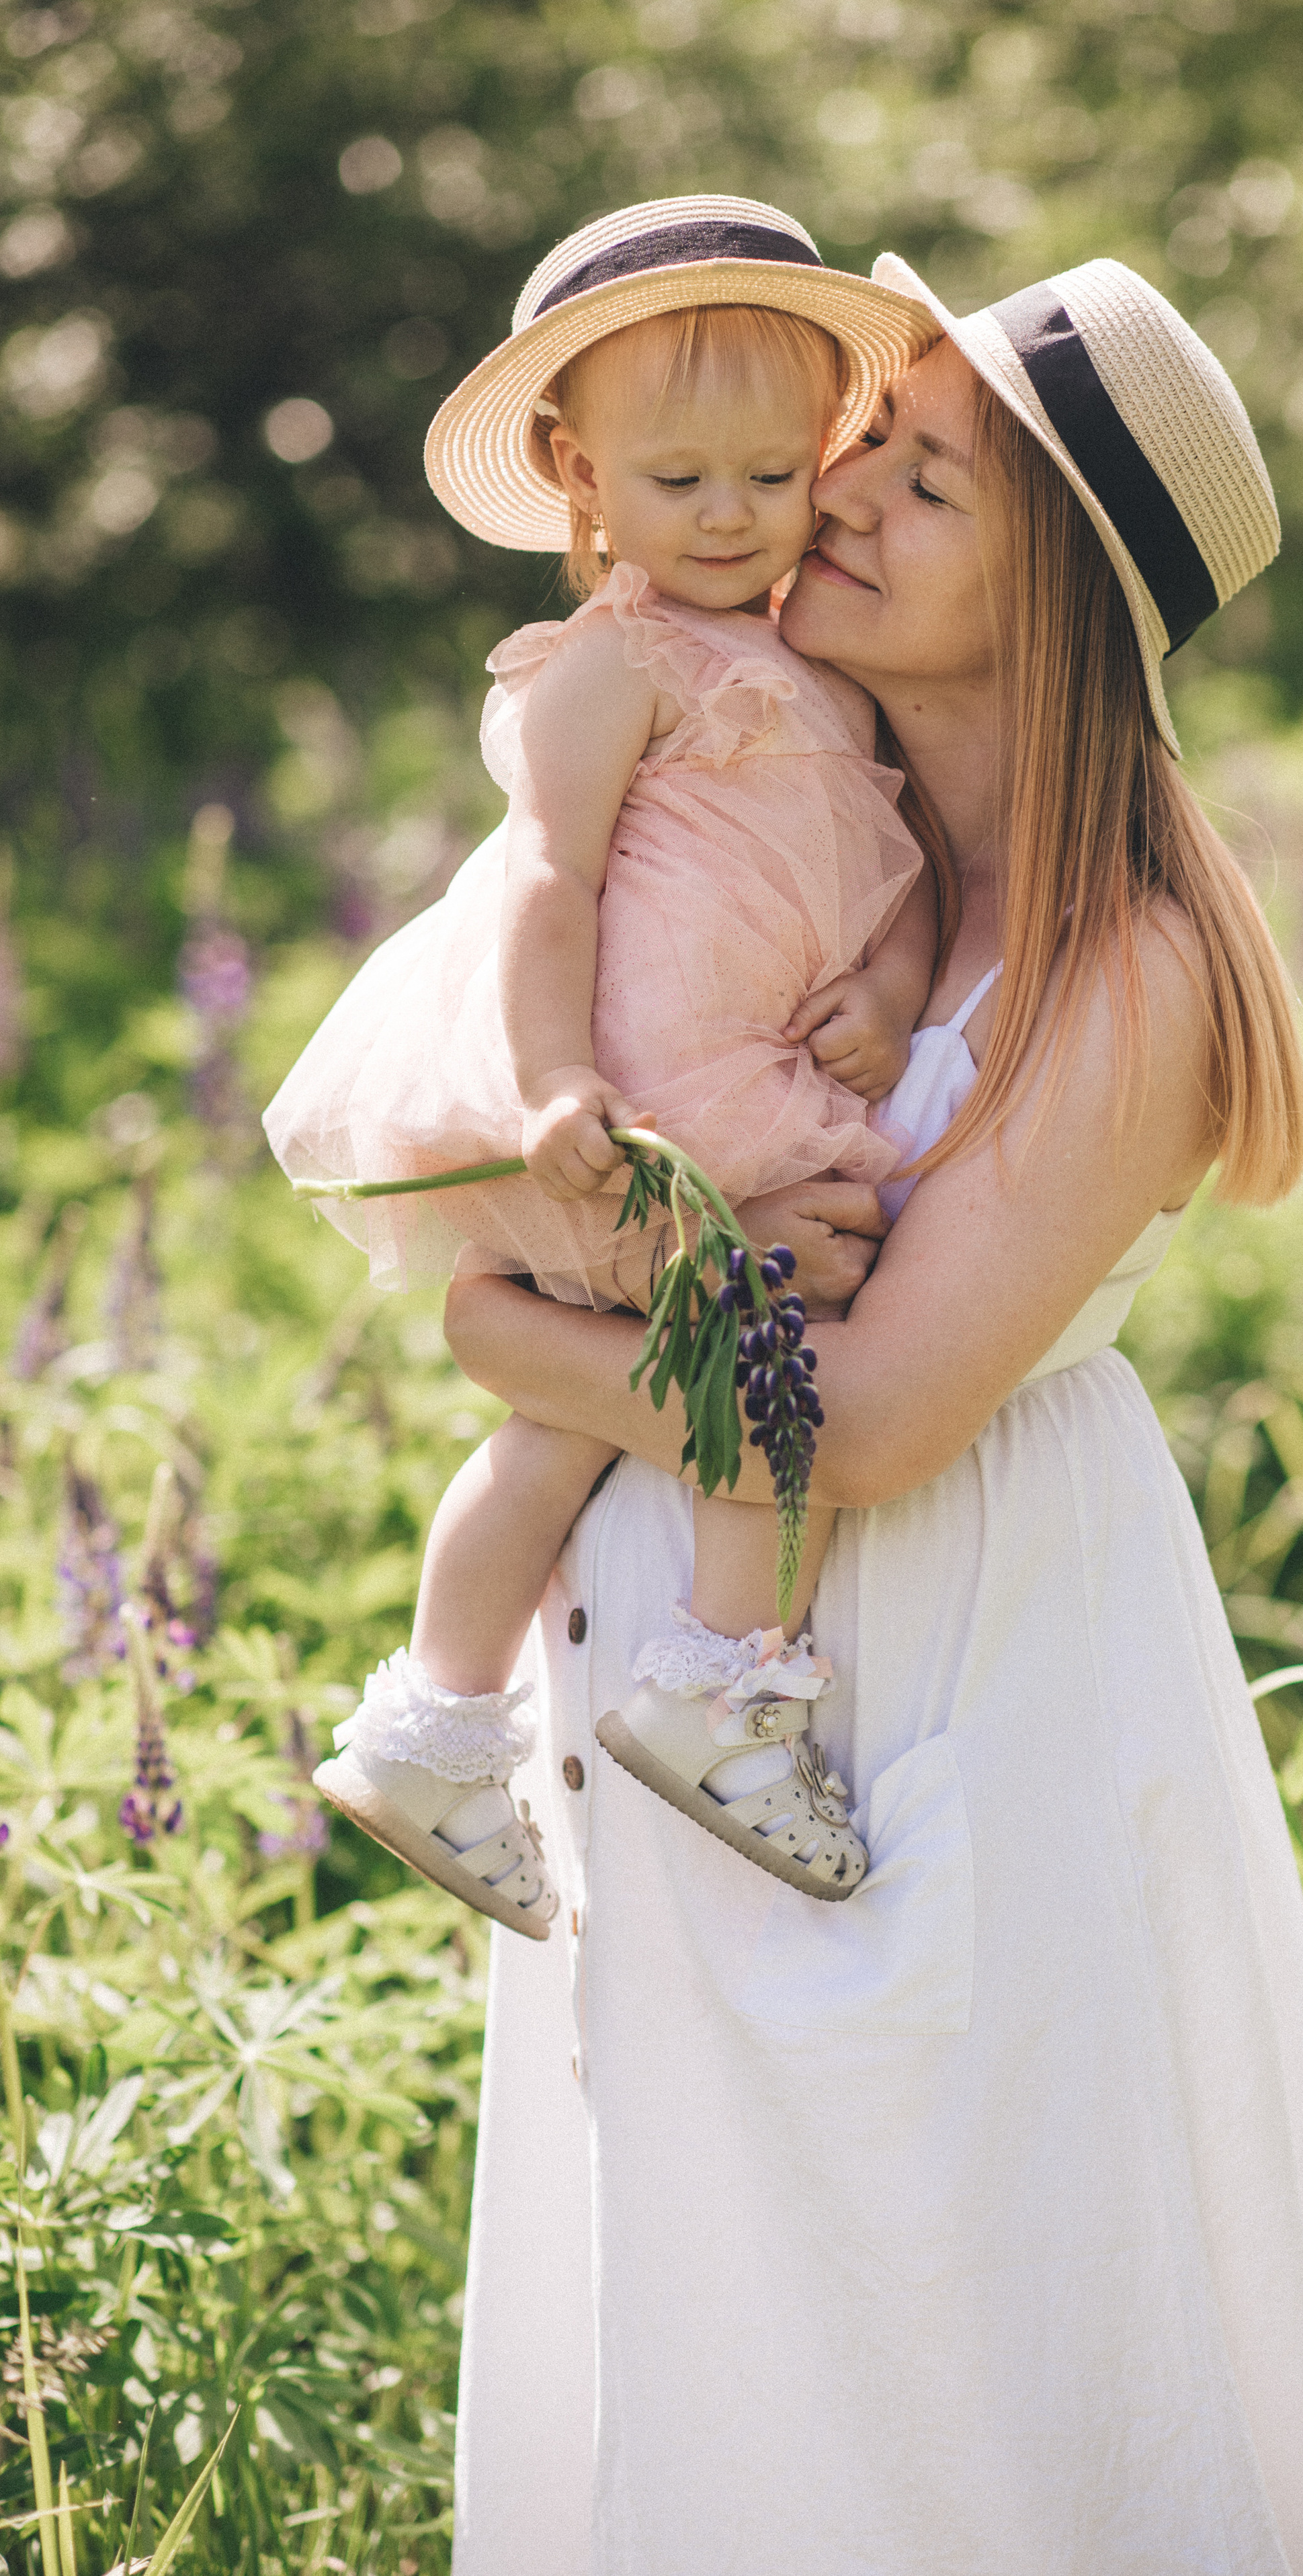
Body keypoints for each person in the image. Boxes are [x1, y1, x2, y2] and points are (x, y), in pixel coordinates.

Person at [446, 248, 1303, 2571]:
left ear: (1067, 598)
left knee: (943, 2306)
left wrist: (514, 1353)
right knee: (724, 2308)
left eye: (932, 479)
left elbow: (873, 1423)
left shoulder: (1131, 960)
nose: (845, 492)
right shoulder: (793, 818)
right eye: (868, 443)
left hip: (949, 1656)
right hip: (693, 1665)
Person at [264, 200, 948, 1934]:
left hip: (738, 1071)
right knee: (783, 1343)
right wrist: (557, 1081)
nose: (730, 519)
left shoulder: (826, 678)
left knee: (563, 1425)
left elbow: (878, 873)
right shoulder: (610, 664)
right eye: (678, 482)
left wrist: (889, 984)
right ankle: (725, 1677)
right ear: (579, 478)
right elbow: (546, 883)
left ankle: (434, 1710)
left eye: (771, 477)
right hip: (643, 1100)